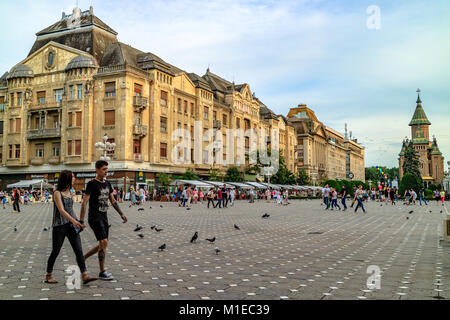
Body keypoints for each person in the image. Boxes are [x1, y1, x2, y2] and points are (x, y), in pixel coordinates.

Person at [45, 170, 97, 285]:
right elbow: (62, 210)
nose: (74, 179)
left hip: (70, 225)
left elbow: (71, 208)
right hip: (59, 226)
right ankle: (48, 275)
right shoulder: (57, 193)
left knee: (78, 250)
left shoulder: (70, 192)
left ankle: (84, 275)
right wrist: (74, 221)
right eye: (72, 177)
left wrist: (78, 220)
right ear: (67, 179)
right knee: (56, 251)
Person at [80, 160, 128, 280]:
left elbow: (112, 200)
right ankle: (102, 271)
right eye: (103, 169)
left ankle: (83, 258)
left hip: (104, 216)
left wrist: (121, 214)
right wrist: (81, 220)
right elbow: (84, 202)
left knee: (103, 244)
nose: (106, 171)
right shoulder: (91, 184)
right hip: (94, 216)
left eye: (107, 169)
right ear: (97, 170)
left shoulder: (108, 183)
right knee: (104, 243)